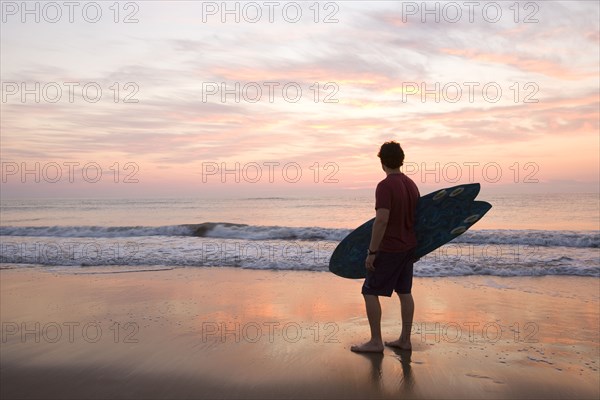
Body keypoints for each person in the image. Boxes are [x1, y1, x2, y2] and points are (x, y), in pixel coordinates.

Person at [351, 141, 420, 353]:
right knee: (404, 291)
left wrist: (372, 252)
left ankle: (375, 342)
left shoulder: (385, 186)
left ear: (382, 162)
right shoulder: (411, 184)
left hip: (390, 248)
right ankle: (405, 340)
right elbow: (418, 219)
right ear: (401, 160)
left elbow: (381, 220)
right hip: (408, 247)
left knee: (369, 291)